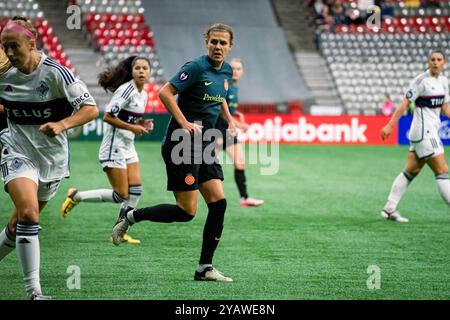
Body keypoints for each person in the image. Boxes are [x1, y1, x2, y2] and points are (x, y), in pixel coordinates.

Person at [111, 23, 237, 282]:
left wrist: (230, 119)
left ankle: (204, 268)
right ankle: (132, 216)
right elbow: (165, 92)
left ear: (230, 46)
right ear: (206, 42)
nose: (218, 47)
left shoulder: (225, 71)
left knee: (219, 204)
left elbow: (220, 95)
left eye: (223, 43)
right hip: (182, 144)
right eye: (214, 41)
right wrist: (183, 122)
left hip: (205, 145)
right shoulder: (195, 67)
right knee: (186, 212)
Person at [0, 16, 98, 299]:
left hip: (52, 160)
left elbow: (90, 109)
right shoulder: (3, 73)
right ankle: (34, 292)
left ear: (32, 43)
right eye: (4, 47)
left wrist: (62, 124)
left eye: (14, 46)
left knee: (19, 223)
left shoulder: (56, 74)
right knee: (29, 214)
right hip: (16, 152)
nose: (9, 53)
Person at [60, 56, 154, 244]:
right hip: (114, 147)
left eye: (145, 68)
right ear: (132, 71)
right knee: (121, 195)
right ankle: (76, 196)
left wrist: (141, 123)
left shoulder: (143, 93)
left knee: (136, 190)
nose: (142, 71)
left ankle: (118, 232)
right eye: (138, 68)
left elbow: (129, 118)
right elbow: (108, 117)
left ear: (150, 72)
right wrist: (134, 128)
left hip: (128, 146)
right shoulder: (126, 90)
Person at [380, 50, 450, 222]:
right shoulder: (421, 81)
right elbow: (405, 103)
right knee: (442, 170)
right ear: (428, 62)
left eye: (439, 59)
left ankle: (389, 209)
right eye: (432, 59)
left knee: (411, 171)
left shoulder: (444, 82)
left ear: (444, 62)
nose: (435, 62)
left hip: (430, 131)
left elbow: (445, 107)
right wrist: (390, 125)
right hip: (423, 132)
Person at [214, 58, 263, 206]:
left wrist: (237, 116)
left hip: (228, 130)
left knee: (239, 163)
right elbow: (222, 110)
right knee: (203, 164)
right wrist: (239, 123)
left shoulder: (235, 87)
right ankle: (186, 189)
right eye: (233, 68)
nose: (235, 71)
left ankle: (244, 198)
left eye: (238, 69)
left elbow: (229, 108)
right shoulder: (224, 84)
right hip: (215, 129)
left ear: (242, 72)